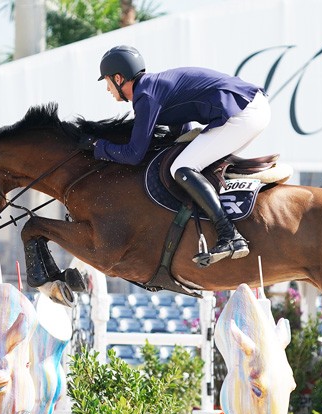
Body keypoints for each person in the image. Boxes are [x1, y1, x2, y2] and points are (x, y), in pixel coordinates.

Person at [80, 45, 271, 266]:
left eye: (107, 81)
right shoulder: (152, 88)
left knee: (181, 168)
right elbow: (182, 131)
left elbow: (134, 154)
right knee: (188, 163)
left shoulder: (145, 95)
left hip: (243, 113)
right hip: (251, 109)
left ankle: (229, 235)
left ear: (118, 78)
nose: (107, 89)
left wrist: (98, 146)